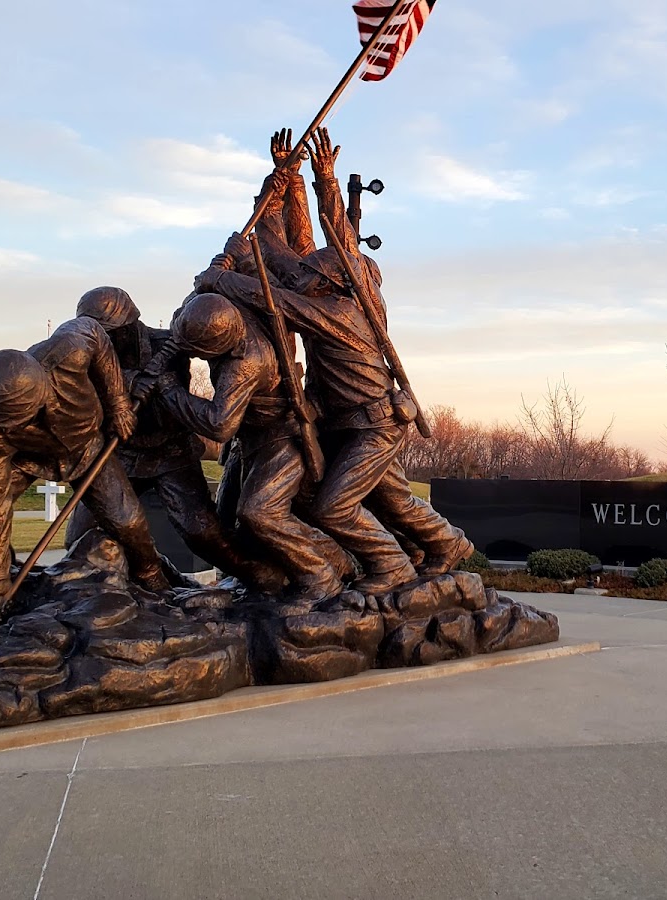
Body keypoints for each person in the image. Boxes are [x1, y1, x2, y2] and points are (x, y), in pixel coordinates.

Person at [193, 129, 472, 594]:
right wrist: (299, 180)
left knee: (334, 507)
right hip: (349, 421)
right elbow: (311, 247)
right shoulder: (352, 287)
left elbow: (274, 294)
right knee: (392, 497)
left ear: (332, 285)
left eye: (315, 279)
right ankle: (445, 544)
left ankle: (393, 567)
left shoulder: (338, 312)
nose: (306, 279)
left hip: (371, 424)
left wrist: (218, 280)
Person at [64, 286, 284, 593]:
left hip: (171, 452)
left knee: (202, 534)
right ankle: (151, 578)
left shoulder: (166, 344)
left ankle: (263, 577)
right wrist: (129, 382)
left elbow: (175, 387)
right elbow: (81, 385)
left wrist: (143, 382)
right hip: (122, 455)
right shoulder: (89, 355)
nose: (102, 340)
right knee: (80, 535)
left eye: (108, 333)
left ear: (127, 326)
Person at [0, 316, 169, 620]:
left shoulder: (69, 350)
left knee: (127, 522)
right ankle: (1, 574)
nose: (19, 425)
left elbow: (95, 332)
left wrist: (117, 402)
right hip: (24, 459)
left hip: (86, 447)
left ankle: (151, 575)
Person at [158, 292, 351, 601]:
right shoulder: (223, 312)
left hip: (280, 435)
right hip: (249, 438)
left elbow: (219, 424)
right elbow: (194, 303)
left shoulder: (246, 361)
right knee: (224, 522)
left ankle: (323, 575)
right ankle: (261, 579)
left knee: (259, 512)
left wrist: (169, 391)